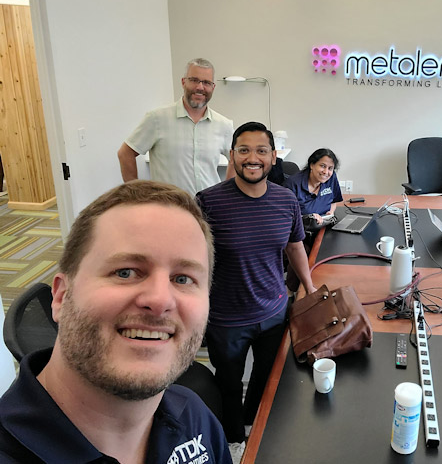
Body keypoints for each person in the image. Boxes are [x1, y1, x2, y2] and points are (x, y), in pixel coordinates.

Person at [0, 180, 230, 463]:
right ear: (60, 297)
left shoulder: (196, 418)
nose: (160, 300)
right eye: (126, 272)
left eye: (183, 279)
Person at [196, 122, 316, 464]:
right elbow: (190, 258)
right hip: (226, 318)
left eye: (261, 151)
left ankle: (254, 424)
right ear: (232, 156)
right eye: (244, 150)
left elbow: (295, 247)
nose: (253, 158)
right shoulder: (208, 202)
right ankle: (234, 437)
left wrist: (308, 286)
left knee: (267, 379)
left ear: (274, 157)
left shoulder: (286, 200)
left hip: (274, 312)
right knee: (229, 384)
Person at [117, 58, 235, 195]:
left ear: (213, 87)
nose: (200, 87)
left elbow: (235, 159)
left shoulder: (223, 125)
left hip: (209, 209)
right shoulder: (157, 119)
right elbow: (125, 153)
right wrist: (135, 196)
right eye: (194, 80)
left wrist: (227, 194)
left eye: (206, 83)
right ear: (183, 82)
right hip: (170, 208)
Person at [284, 148, 343, 225]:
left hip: (324, 225)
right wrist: (307, 218)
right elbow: (285, 216)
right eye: (322, 166)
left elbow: (333, 201)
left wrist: (330, 212)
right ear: (312, 165)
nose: (326, 172)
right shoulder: (292, 184)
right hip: (302, 230)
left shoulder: (332, 177)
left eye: (330, 168)